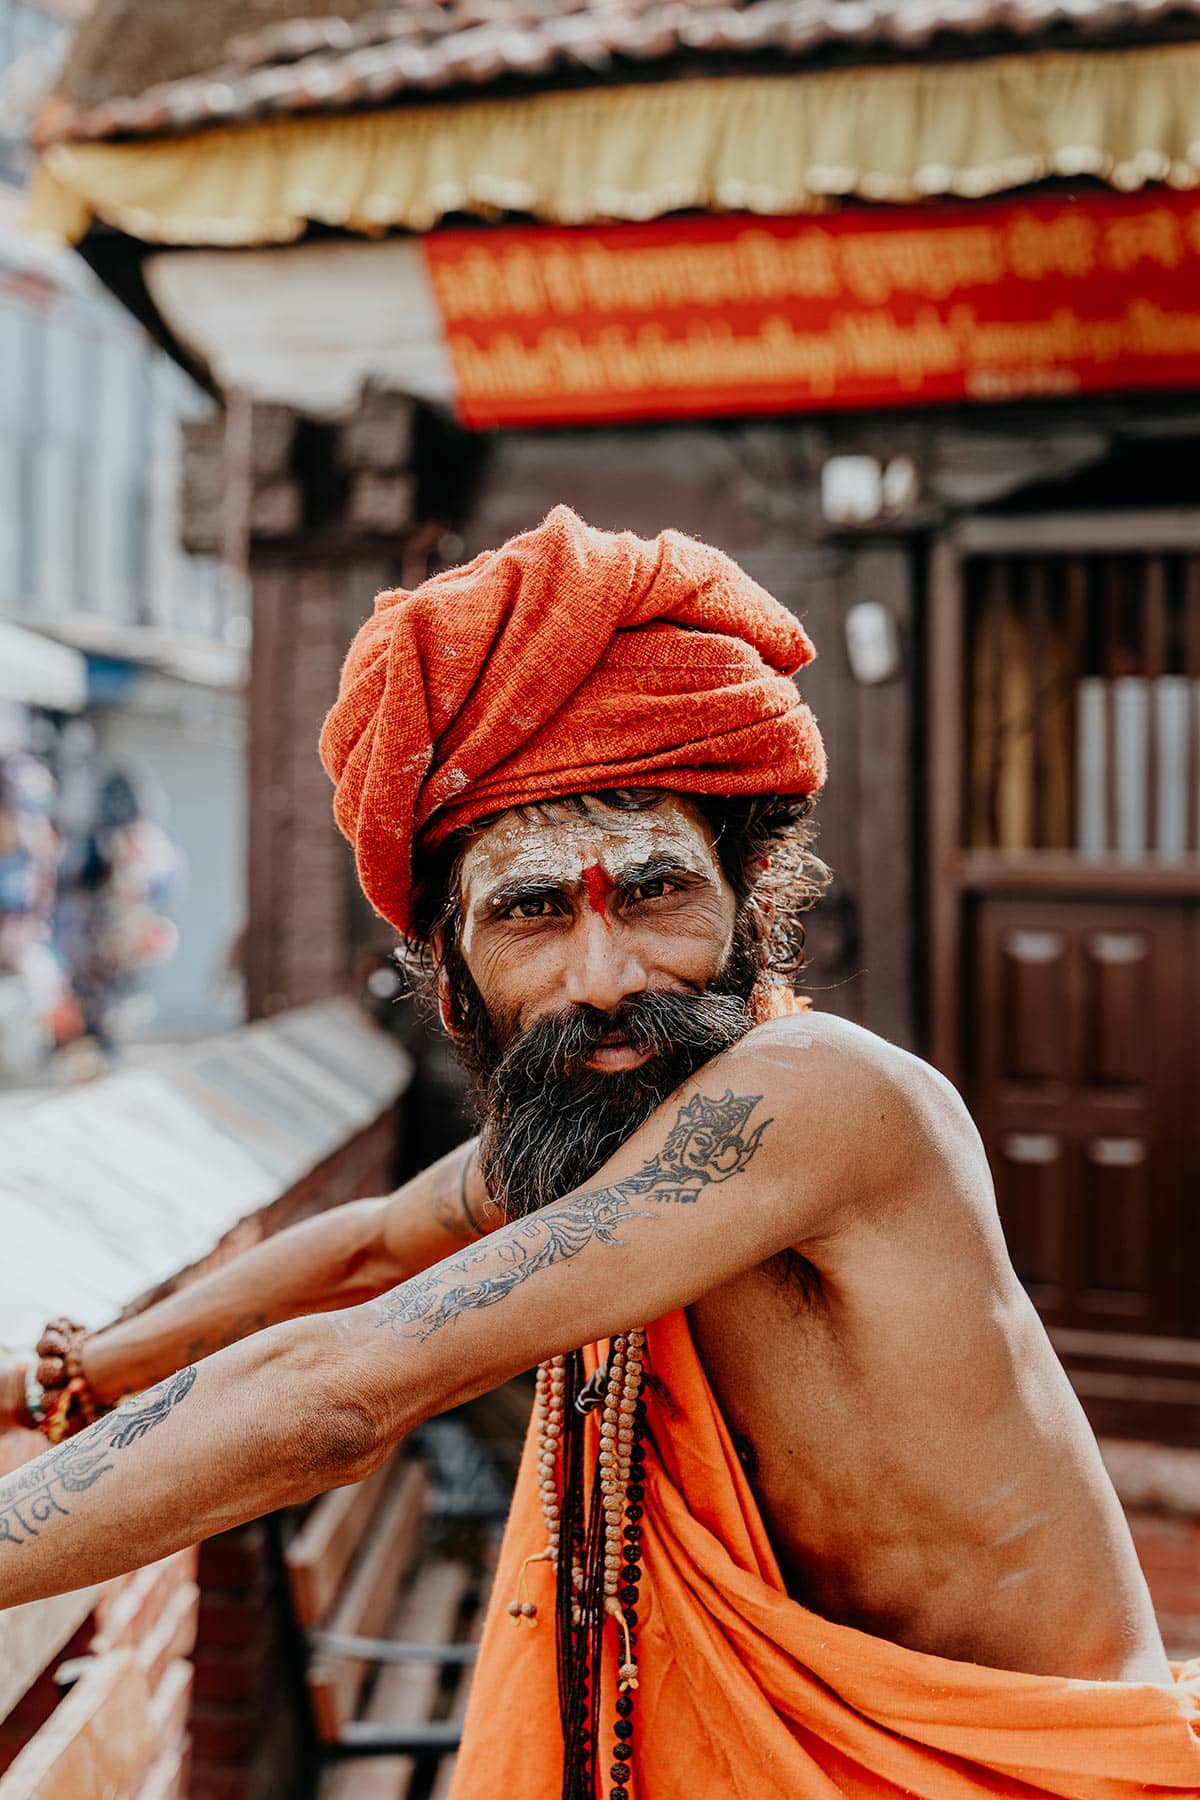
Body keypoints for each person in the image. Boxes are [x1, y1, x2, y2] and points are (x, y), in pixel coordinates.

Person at [1, 508, 1197, 1800]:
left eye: (656, 891)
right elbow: (366, 1244)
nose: (606, 976)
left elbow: (345, 1389)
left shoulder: (814, 1099)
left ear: (752, 909)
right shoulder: (605, 1146)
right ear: (454, 982)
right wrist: (72, 1375)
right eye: (529, 913)